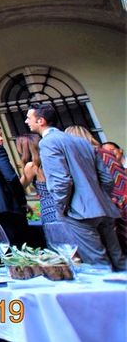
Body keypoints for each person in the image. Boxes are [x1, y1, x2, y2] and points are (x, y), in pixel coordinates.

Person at [29, 105, 124, 269]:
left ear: (40, 121)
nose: (26, 121)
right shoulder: (82, 141)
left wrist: (61, 208)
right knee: (118, 258)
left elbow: (61, 181)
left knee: (98, 263)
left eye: (28, 118)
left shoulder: (48, 142)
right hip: (103, 208)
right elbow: (107, 179)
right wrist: (101, 198)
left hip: (78, 212)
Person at [15, 134, 57, 224]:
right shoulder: (52, 159)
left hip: (49, 209)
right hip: (65, 207)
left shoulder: (32, 166)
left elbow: (18, 188)